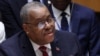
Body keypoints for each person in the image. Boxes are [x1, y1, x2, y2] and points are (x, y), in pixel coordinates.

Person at [0, 2, 82, 56]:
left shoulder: (70, 41)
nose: (48, 26)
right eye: (41, 23)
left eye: (49, 19)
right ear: (26, 28)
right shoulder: (9, 51)